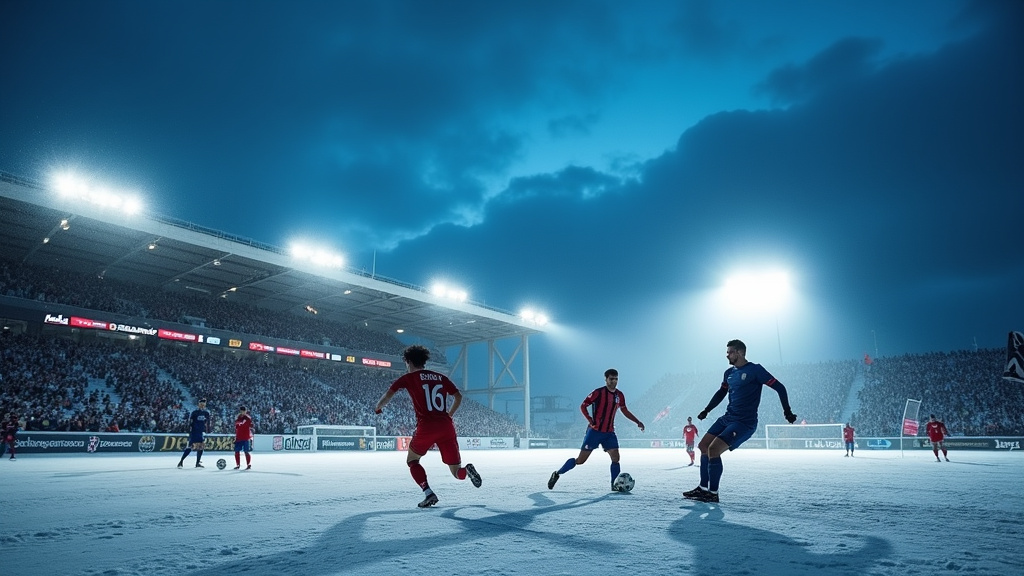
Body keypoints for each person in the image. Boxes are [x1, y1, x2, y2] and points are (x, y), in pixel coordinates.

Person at [684, 340, 796, 503]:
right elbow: (721, 393)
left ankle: (712, 493)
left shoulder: (755, 370)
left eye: (730, 352)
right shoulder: (728, 373)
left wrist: (787, 411)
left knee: (714, 449)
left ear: (740, 352)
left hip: (744, 422)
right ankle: (702, 489)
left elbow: (780, 387)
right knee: (703, 446)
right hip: (728, 418)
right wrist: (707, 410)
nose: (727, 355)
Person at [375, 345, 482, 508]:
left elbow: (388, 395)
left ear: (409, 362)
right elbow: (458, 397)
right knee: (456, 471)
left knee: (412, 460)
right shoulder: (440, 377)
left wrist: (378, 407)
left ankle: (428, 493)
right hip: (447, 426)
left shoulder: (408, 378)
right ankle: (467, 470)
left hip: (427, 427)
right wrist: (449, 415)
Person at [548, 368, 645, 491]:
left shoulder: (619, 395)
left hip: (609, 432)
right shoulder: (598, 392)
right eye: (611, 379)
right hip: (594, 432)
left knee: (616, 458)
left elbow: (624, 410)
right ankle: (557, 473)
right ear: (606, 379)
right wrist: (590, 420)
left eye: (616, 379)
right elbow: (583, 406)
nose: (614, 381)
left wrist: (637, 422)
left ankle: (614, 485)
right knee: (580, 460)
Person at [177, 399, 211, 468]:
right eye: (201, 404)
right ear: (198, 405)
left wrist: (207, 429)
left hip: (200, 432)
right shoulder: (194, 413)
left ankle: (197, 463)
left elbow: (207, 422)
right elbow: (190, 422)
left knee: (201, 448)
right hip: (194, 432)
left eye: (204, 405)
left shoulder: (206, 413)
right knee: (190, 447)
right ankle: (181, 461)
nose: (202, 406)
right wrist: (189, 431)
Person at [234, 406, 254, 470]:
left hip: (246, 437)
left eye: (244, 411)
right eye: (242, 411)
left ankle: (248, 464)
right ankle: (238, 464)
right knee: (237, 451)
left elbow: (250, 424)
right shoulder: (238, 417)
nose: (243, 412)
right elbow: (236, 425)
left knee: (246, 451)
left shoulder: (247, 418)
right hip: (239, 436)